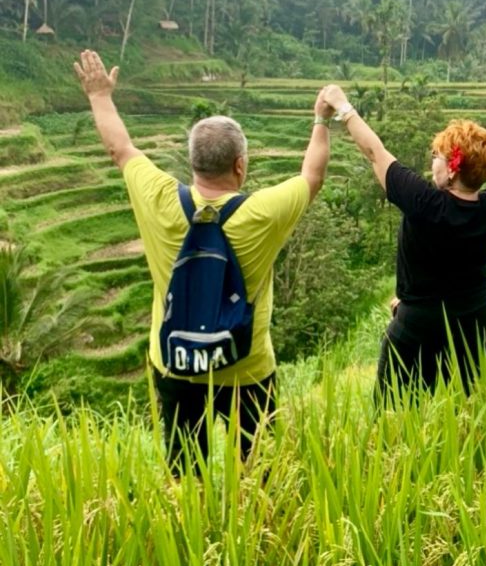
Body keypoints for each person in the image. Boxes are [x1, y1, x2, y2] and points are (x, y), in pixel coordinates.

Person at [75, 49, 333, 468]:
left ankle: (189, 527)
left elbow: (119, 149)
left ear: (192, 162)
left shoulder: (157, 195)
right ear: (240, 165)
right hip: (246, 369)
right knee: (257, 472)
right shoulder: (262, 213)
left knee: (183, 474)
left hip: (176, 366)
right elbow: (312, 176)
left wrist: (99, 95)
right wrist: (321, 120)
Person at [321, 84, 486, 399]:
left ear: (451, 169)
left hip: (420, 328)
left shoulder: (422, 201)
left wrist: (343, 106)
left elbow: (374, 152)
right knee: (458, 405)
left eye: (437, 156)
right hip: (476, 322)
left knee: (393, 414)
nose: (432, 161)